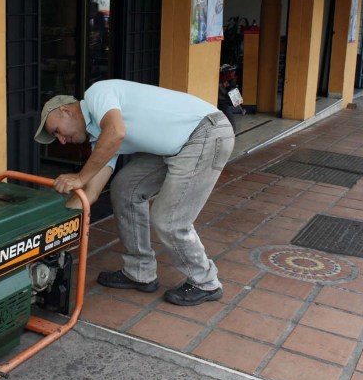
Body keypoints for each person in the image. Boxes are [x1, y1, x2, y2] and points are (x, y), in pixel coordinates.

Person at [34, 80, 235, 306]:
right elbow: (89, 195)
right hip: (175, 145)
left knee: (168, 218)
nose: (61, 141)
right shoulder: (100, 139)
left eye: (57, 131)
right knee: (124, 189)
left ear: (65, 110)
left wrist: (80, 177)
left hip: (205, 132)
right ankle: (140, 272)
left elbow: (116, 132)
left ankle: (206, 282)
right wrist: (49, 230)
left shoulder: (96, 94)